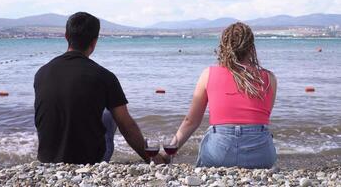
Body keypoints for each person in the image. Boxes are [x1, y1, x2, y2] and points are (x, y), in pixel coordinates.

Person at [34, 12, 162, 164]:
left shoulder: (41, 73)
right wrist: (154, 159)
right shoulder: (104, 76)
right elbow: (127, 126)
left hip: (46, 159)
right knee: (110, 114)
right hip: (90, 160)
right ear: (94, 41)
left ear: (66, 37)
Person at [166, 22, 277, 168]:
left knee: (211, 135)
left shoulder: (208, 74)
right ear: (251, 47)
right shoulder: (269, 78)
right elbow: (262, 118)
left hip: (219, 153)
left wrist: (169, 152)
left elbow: (190, 121)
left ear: (224, 47)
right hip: (261, 155)